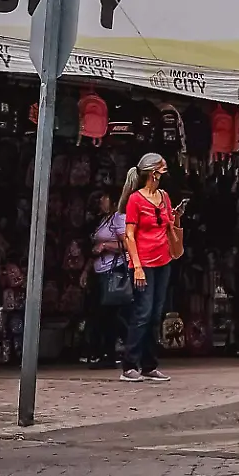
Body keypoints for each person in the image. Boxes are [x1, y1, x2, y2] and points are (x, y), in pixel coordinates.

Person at [119, 152, 177, 383]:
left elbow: (169, 224)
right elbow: (129, 235)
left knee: (155, 314)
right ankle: (129, 364)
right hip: (144, 262)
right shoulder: (135, 199)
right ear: (153, 173)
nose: (164, 173)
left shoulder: (164, 196)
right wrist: (138, 267)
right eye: (162, 169)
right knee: (142, 313)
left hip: (163, 260)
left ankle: (149, 365)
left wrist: (176, 217)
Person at [83, 191, 127, 369]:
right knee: (102, 315)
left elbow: (127, 244)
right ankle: (106, 353)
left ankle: (118, 350)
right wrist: (86, 271)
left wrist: (106, 245)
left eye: (105, 198)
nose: (101, 201)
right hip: (100, 270)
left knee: (110, 314)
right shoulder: (103, 220)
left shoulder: (119, 218)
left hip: (113, 270)